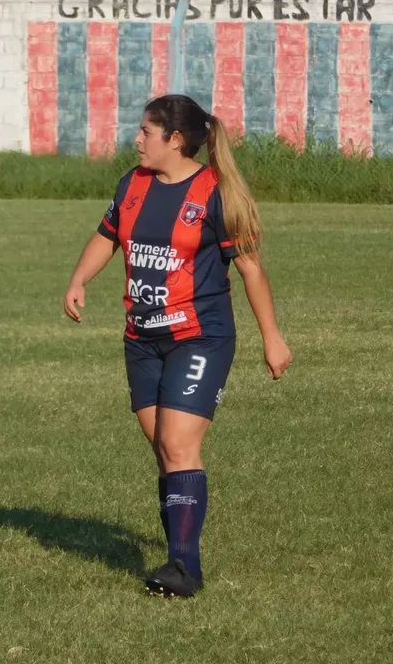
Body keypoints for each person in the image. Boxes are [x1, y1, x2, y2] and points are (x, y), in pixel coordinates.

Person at [63, 94, 293, 598]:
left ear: (176, 140)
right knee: (164, 454)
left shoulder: (215, 193)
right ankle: (177, 560)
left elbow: (251, 269)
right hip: (142, 341)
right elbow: (109, 235)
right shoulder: (133, 183)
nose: (137, 139)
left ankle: (184, 568)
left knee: (178, 445)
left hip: (200, 337)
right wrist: (80, 278)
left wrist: (271, 338)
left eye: (147, 131)